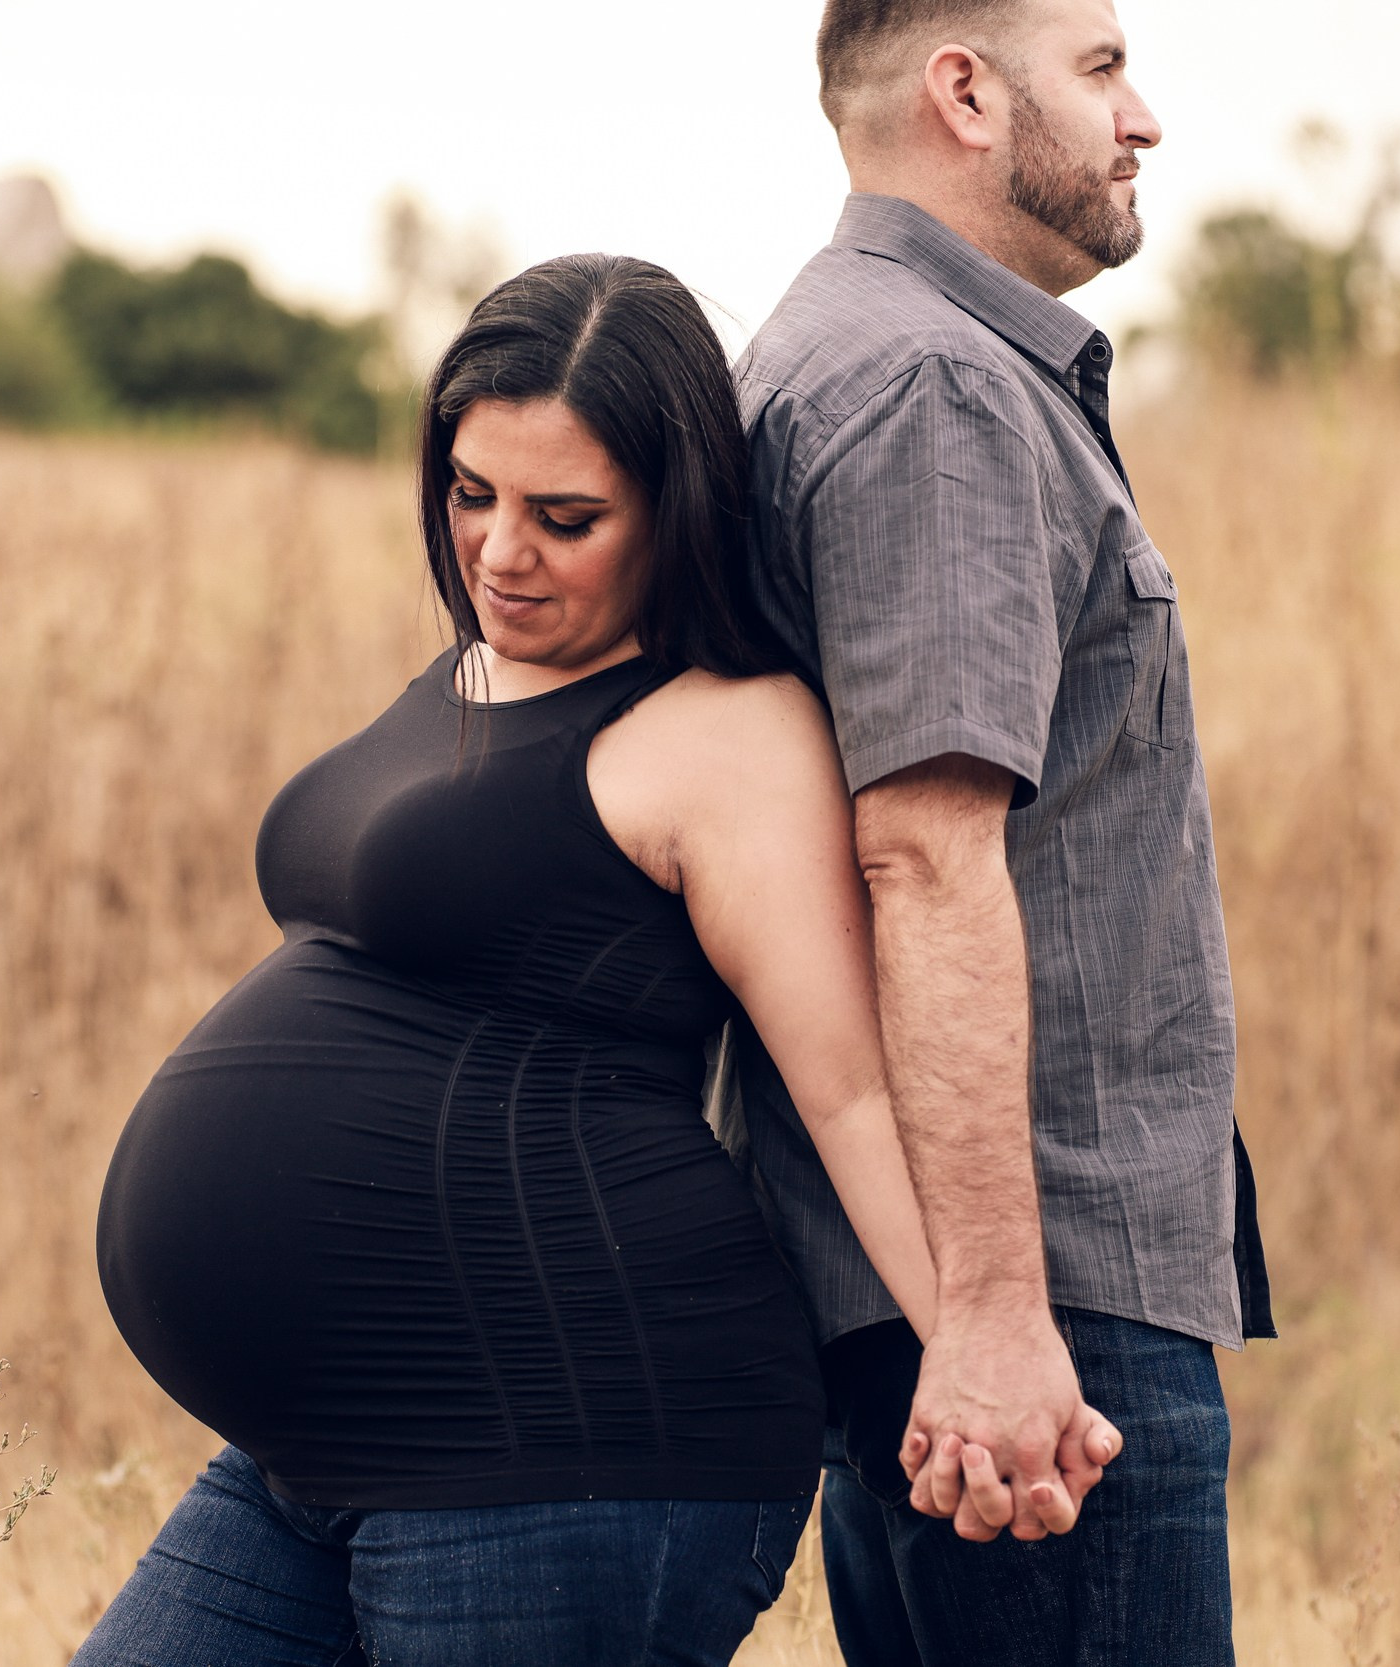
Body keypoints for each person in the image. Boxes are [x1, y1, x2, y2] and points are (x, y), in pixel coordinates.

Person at [79, 253, 1116, 1667]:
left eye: (565, 518)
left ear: (672, 513)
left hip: (567, 1441)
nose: (501, 554)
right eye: (472, 495)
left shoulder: (726, 736)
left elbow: (853, 1092)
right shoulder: (476, 667)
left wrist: (983, 1354)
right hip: (321, 1450)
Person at [731, 1, 1278, 1662]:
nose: (1143, 119)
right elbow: (923, 856)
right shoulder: (933, 386)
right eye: (1101, 69)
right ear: (964, 93)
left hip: (966, 1304)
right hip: (1030, 1315)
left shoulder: (858, 350)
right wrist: (987, 1315)